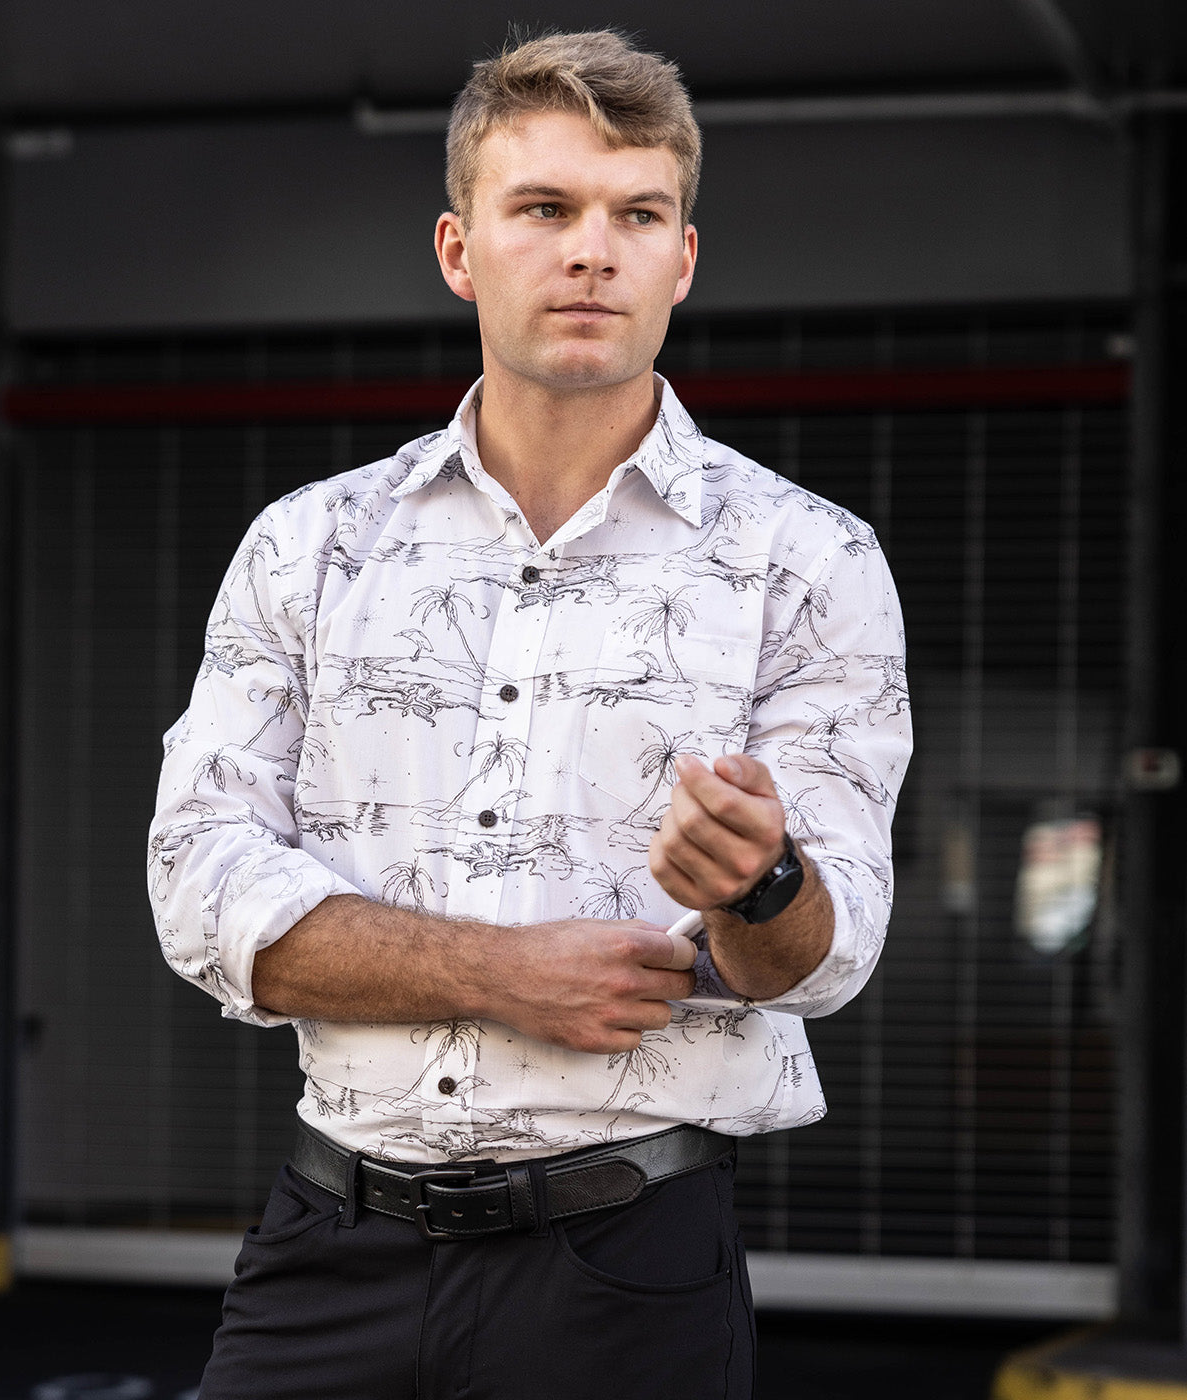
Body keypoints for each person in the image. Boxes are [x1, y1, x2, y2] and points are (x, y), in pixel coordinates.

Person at [148, 28, 911, 1400]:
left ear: (684, 259)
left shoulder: (810, 564)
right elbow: (200, 892)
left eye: (637, 215)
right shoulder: (311, 547)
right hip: (330, 1246)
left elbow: (825, 952)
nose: (592, 251)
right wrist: (499, 972)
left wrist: (763, 880)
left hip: (629, 1270)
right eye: (545, 209)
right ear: (461, 250)